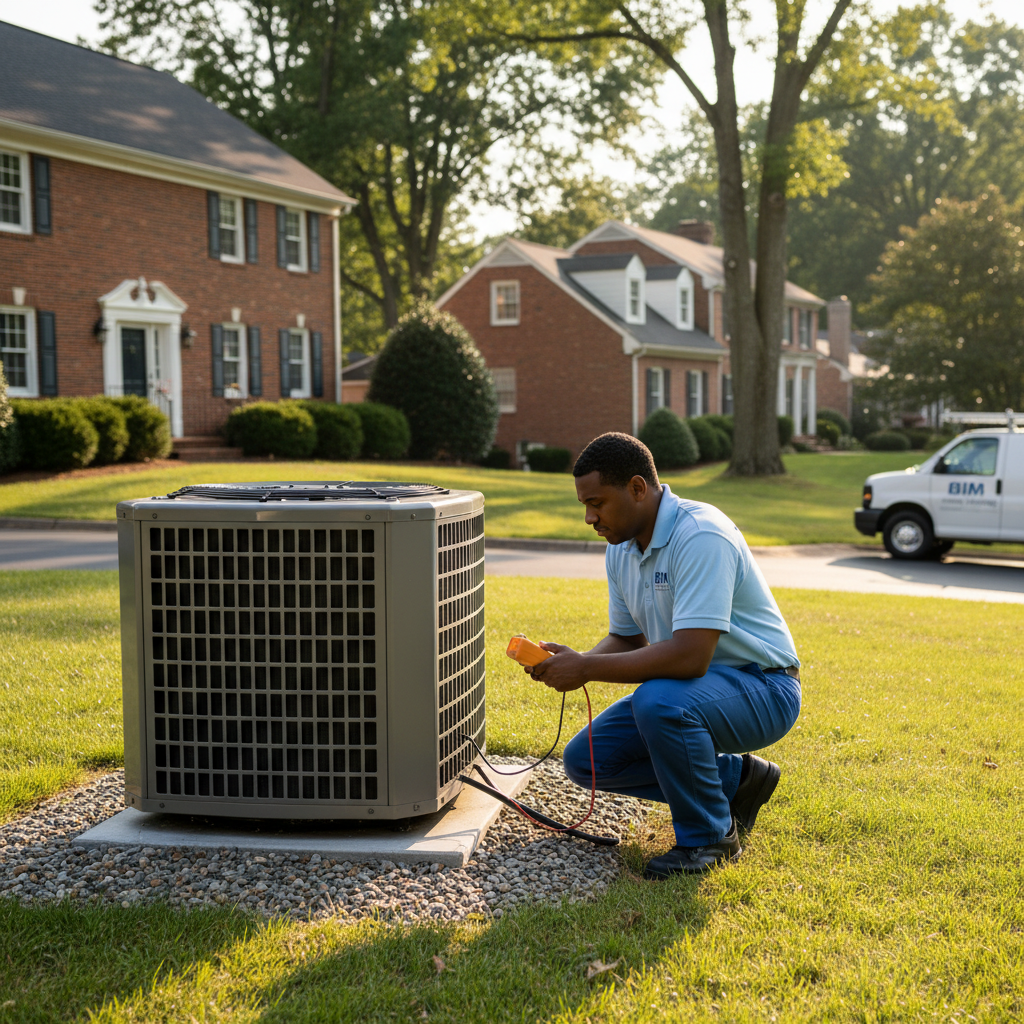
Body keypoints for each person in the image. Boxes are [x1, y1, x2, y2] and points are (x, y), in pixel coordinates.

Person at [524, 432, 801, 878]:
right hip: (693, 690)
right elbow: (627, 638)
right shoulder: (621, 549)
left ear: (637, 488)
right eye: (584, 506)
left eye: (597, 503)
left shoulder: (701, 534)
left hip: (764, 687)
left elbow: (690, 658)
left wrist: (586, 667)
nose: (590, 517)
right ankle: (740, 782)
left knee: (659, 701)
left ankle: (709, 839)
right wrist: (577, 660)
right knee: (588, 760)